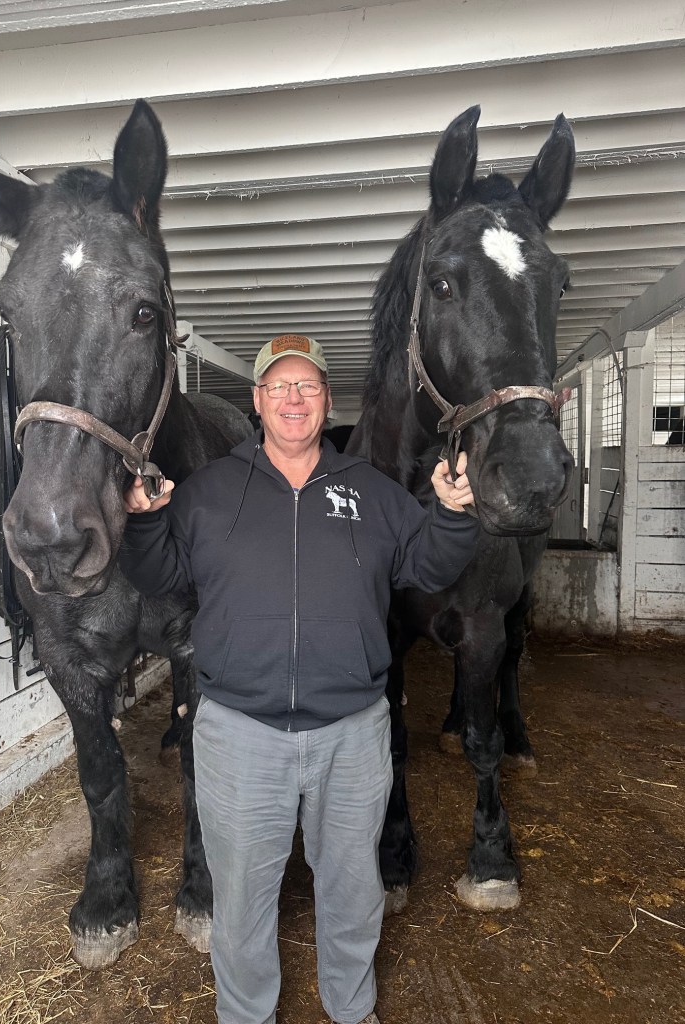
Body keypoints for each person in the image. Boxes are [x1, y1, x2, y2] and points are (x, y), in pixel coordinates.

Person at [119, 334, 479, 1024]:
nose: (293, 397)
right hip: (239, 734)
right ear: (256, 401)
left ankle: (352, 1007)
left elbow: (427, 566)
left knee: (353, 890)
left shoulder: (370, 491)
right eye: (278, 385)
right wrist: (142, 523)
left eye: (307, 385)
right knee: (241, 898)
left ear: (326, 401)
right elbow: (162, 575)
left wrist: (453, 513)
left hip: (352, 734)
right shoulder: (210, 491)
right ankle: (246, 1014)